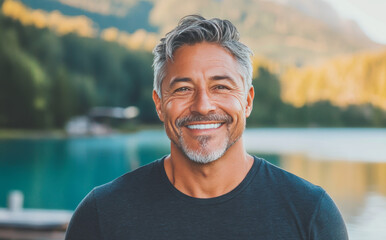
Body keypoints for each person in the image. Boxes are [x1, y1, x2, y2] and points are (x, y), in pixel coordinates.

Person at [65, 15, 348, 240]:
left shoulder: (310, 212)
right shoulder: (102, 214)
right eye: (184, 88)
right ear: (160, 104)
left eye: (221, 87)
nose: (203, 105)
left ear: (247, 101)